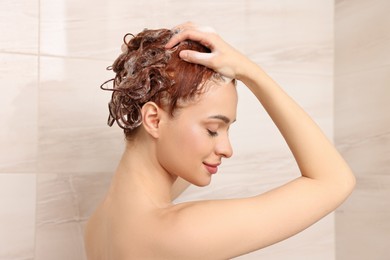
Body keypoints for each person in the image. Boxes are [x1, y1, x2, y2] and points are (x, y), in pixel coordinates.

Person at [84, 22, 355, 259]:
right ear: (154, 120)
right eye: (213, 129)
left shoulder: (100, 225)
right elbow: (334, 181)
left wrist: (159, 58)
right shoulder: (177, 233)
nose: (227, 149)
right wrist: (250, 72)